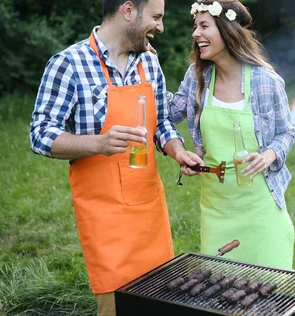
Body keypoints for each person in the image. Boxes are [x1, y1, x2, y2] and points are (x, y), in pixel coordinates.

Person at [29, 0, 204, 315]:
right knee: (117, 307)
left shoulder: (149, 63)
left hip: (149, 208)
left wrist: (177, 150)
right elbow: (40, 135)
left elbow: (161, 122)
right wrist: (98, 143)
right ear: (128, 10)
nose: (160, 28)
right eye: (156, 17)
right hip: (104, 215)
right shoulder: (69, 64)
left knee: (160, 302)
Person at [169, 0, 295, 269]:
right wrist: (183, 152)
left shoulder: (266, 81)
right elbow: (167, 116)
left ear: (227, 31)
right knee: (220, 292)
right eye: (195, 26)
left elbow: (286, 132)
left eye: (204, 26)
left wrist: (268, 156)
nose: (195, 33)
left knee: (268, 294)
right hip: (216, 208)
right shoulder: (197, 77)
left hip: (260, 208)